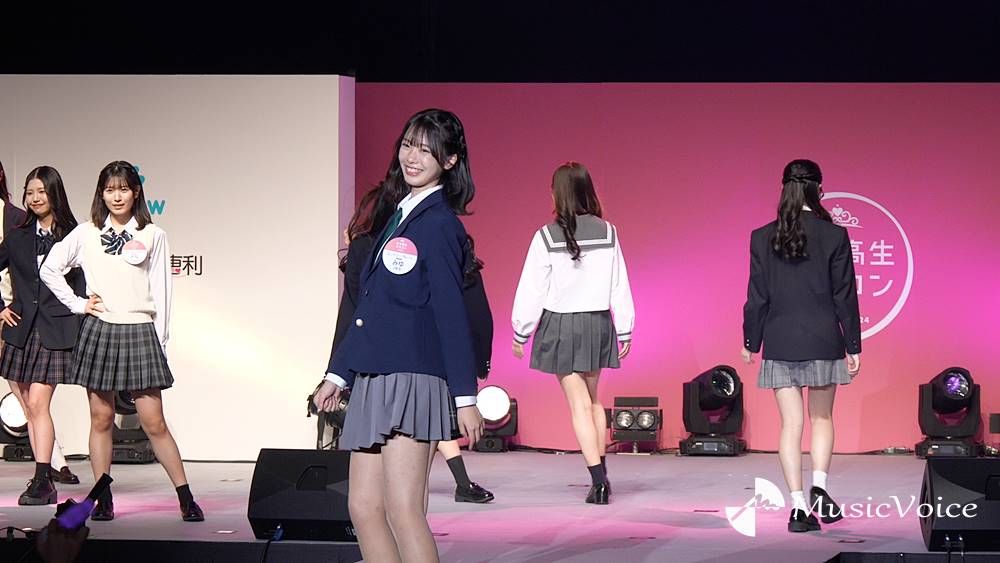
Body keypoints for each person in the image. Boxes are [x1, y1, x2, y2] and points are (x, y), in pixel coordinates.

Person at [314, 109, 485, 563]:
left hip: (413, 378)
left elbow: (451, 315)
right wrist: (338, 374)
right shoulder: (398, 215)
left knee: (403, 508)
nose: (413, 157)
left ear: (450, 160)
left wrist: (465, 397)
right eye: (409, 145)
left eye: (427, 150)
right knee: (363, 507)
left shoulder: (440, 224)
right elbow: (368, 308)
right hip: (372, 375)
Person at [40, 161, 203, 522]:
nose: (117, 196)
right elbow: (49, 268)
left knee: (154, 422)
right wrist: (79, 304)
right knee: (101, 419)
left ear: (136, 192)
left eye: (124, 189)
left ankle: (186, 497)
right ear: (101, 193)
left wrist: (160, 342)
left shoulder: (153, 234)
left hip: (140, 329)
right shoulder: (86, 233)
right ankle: (103, 499)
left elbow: (162, 292)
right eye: (110, 190)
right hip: (100, 328)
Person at [741, 159, 861, 532]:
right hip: (824, 338)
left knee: (790, 425)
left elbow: (757, 297)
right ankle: (819, 487)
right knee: (821, 418)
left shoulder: (762, 236)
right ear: (817, 189)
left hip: (780, 340)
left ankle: (796, 508)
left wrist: (751, 341)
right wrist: (853, 344)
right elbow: (845, 296)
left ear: (784, 189)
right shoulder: (834, 235)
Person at [511, 161, 634, 505]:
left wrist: (521, 332)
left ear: (557, 193)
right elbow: (619, 283)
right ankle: (601, 476)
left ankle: (598, 482)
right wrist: (625, 328)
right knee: (593, 401)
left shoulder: (546, 236)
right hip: (597, 323)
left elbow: (533, 289)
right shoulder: (608, 232)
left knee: (580, 405)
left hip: (562, 326)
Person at [0, 166, 86, 505]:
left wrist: (82, 312)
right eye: (30, 192)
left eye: (42, 192)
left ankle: (42, 478)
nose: (35, 198)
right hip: (21, 329)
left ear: (55, 194)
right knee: (30, 407)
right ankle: (43, 478)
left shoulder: (75, 235)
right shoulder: (17, 236)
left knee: (37, 403)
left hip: (55, 328)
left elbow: (86, 282)